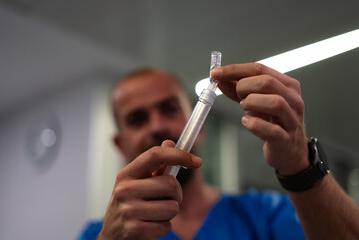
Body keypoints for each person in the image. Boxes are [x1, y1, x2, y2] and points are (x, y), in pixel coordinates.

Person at [79, 63, 359, 240]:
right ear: (120, 144)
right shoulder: (104, 233)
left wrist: (299, 163)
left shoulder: (265, 215)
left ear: (199, 127)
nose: (158, 125)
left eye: (170, 109)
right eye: (137, 119)